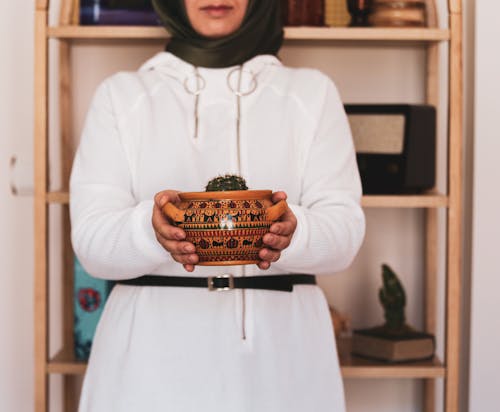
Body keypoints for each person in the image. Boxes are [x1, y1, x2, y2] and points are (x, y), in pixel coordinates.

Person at [70, 1, 365, 411]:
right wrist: (149, 229)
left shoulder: (311, 92)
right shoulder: (121, 95)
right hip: (148, 366)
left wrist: (295, 232)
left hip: (282, 361)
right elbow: (91, 242)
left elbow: (345, 233)